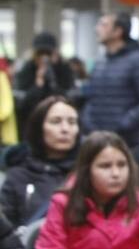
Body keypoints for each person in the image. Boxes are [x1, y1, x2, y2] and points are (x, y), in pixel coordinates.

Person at [1, 95, 81, 227]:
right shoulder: (18, 176)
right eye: (56, 121)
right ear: (39, 128)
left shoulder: (88, 173)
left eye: (72, 122)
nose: (65, 129)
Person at [82, 12, 139, 148]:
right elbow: (91, 97)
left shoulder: (138, 60)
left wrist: (123, 124)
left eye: (104, 25)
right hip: (97, 139)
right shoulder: (100, 61)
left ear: (118, 31)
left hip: (126, 143)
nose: (97, 29)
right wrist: (88, 122)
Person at [13, 31, 77, 134]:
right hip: (31, 125)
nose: (44, 57)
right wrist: (38, 84)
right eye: (40, 53)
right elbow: (22, 104)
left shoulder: (64, 70)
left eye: (48, 53)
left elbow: (69, 99)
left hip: (59, 125)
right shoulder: (26, 70)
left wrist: (52, 80)